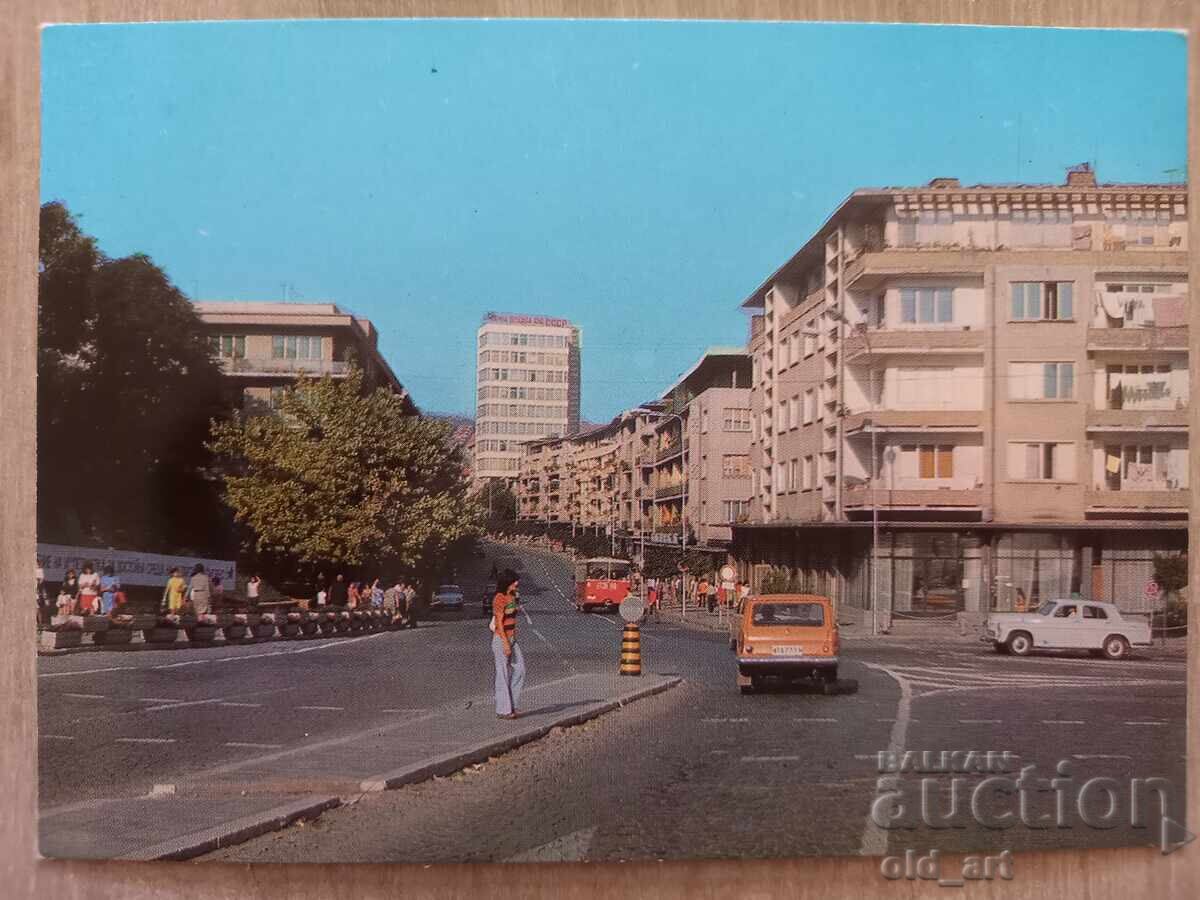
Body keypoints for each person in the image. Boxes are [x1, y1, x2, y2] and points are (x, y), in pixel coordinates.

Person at [492, 569, 526, 720]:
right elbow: (499, 622)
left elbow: (512, 614)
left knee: (521, 669)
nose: (516, 584)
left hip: (513, 638)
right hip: (501, 639)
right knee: (502, 673)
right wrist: (506, 643)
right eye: (514, 582)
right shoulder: (499, 598)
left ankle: (512, 703)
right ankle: (503, 709)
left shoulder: (512, 596)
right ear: (507, 583)